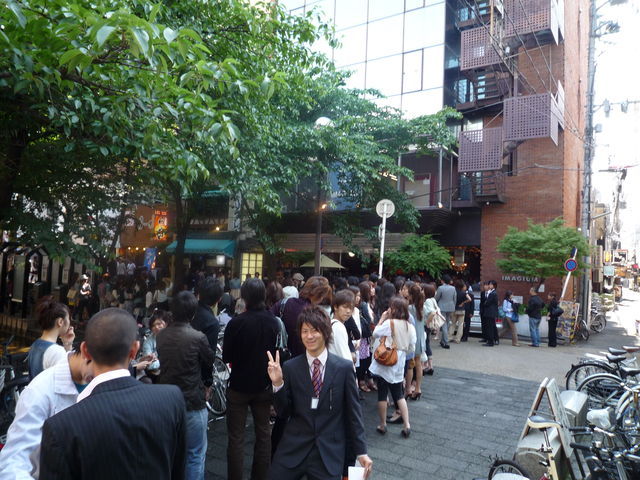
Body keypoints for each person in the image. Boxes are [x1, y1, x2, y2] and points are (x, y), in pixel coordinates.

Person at [39, 308, 187, 480]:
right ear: (134, 350)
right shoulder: (172, 399)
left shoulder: (60, 427)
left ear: (85, 351)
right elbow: (178, 470)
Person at [267, 305, 373, 480]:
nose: (309, 336)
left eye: (314, 330)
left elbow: (354, 413)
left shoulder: (343, 368)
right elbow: (283, 412)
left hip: (328, 451)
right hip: (294, 447)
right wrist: (277, 383)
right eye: (305, 331)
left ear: (325, 332)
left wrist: (361, 452)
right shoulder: (291, 367)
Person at [0, 350, 93, 478]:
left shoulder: (101, 382)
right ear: (86, 350)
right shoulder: (39, 392)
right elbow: (12, 462)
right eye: (105, 362)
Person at [223, 279, 280, 480]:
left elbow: (226, 356)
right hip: (263, 385)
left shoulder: (236, 323)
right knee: (264, 434)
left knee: (236, 438)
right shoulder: (273, 322)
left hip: (239, 385)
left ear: (244, 297)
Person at [157, 292, 214, 480]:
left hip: (166, 401)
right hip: (192, 401)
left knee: (170, 453)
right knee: (195, 454)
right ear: (193, 313)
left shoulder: (161, 336)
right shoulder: (198, 337)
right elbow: (209, 359)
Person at [369, 297, 416, 438]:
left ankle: (383, 424)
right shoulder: (410, 326)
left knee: (382, 394)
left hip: (386, 362)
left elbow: (375, 333)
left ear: (394, 309)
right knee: (399, 394)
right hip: (399, 362)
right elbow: (412, 347)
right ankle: (407, 424)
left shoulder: (389, 323)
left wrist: (382, 318)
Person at [29, 297, 75, 380]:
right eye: (68, 319)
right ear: (60, 322)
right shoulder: (57, 351)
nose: (70, 323)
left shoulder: (35, 344)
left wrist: (67, 344)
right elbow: (67, 379)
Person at [406, 283, 426, 400]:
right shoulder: (422, 308)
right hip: (421, 339)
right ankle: (418, 388)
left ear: (411, 295)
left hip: (412, 339)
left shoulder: (409, 308)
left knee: (410, 365)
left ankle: (408, 389)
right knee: (418, 364)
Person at [192, 277, 223, 351]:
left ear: (199, 294)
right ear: (219, 299)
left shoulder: (188, 310)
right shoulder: (212, 323)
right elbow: (209, 354)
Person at [140, 309, 170, 381]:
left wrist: (158, 360)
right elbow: (150, 365)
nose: (156, 327)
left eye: (159, 324)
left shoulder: (173, 338)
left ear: (166, 324)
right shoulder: (148, 342)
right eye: (153, 325)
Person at [328, 289, 356, 363]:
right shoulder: (339, 327)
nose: (348, 311)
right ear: (335, 307)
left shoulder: (331, 323)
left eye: (351, 308)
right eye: (345, 307)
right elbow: (346, 359)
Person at [435, 275, 456, 349]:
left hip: (442, 307)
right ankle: (443, 341)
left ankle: (446, 341)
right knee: (447, 323)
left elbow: (437, 297)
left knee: (444, 324)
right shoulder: (453, 288)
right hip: (450, 307)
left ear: (443, 280)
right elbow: (455, 298)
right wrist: (453, 305)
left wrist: (436, 305)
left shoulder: (440, 288)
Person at [450, 279, 471, 344]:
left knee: (453, 324)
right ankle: (457, 339)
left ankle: (449, 337)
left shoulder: (453, 292)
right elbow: (469, 299)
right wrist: (463, 303)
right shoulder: (464, 293)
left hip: (454, 309)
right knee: (460, 325)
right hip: (461, 310)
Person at [481, 281, 499, 347]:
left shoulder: (492, 293)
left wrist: (485, 303)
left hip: (490, 312)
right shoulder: (492, 293)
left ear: (494, 285)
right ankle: (490, 340)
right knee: (490, 326)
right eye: (489, 284)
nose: (489, 285)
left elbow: (487, 303)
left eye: (490, 284)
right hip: (490, 312)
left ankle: (490, 342)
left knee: (490, 327)